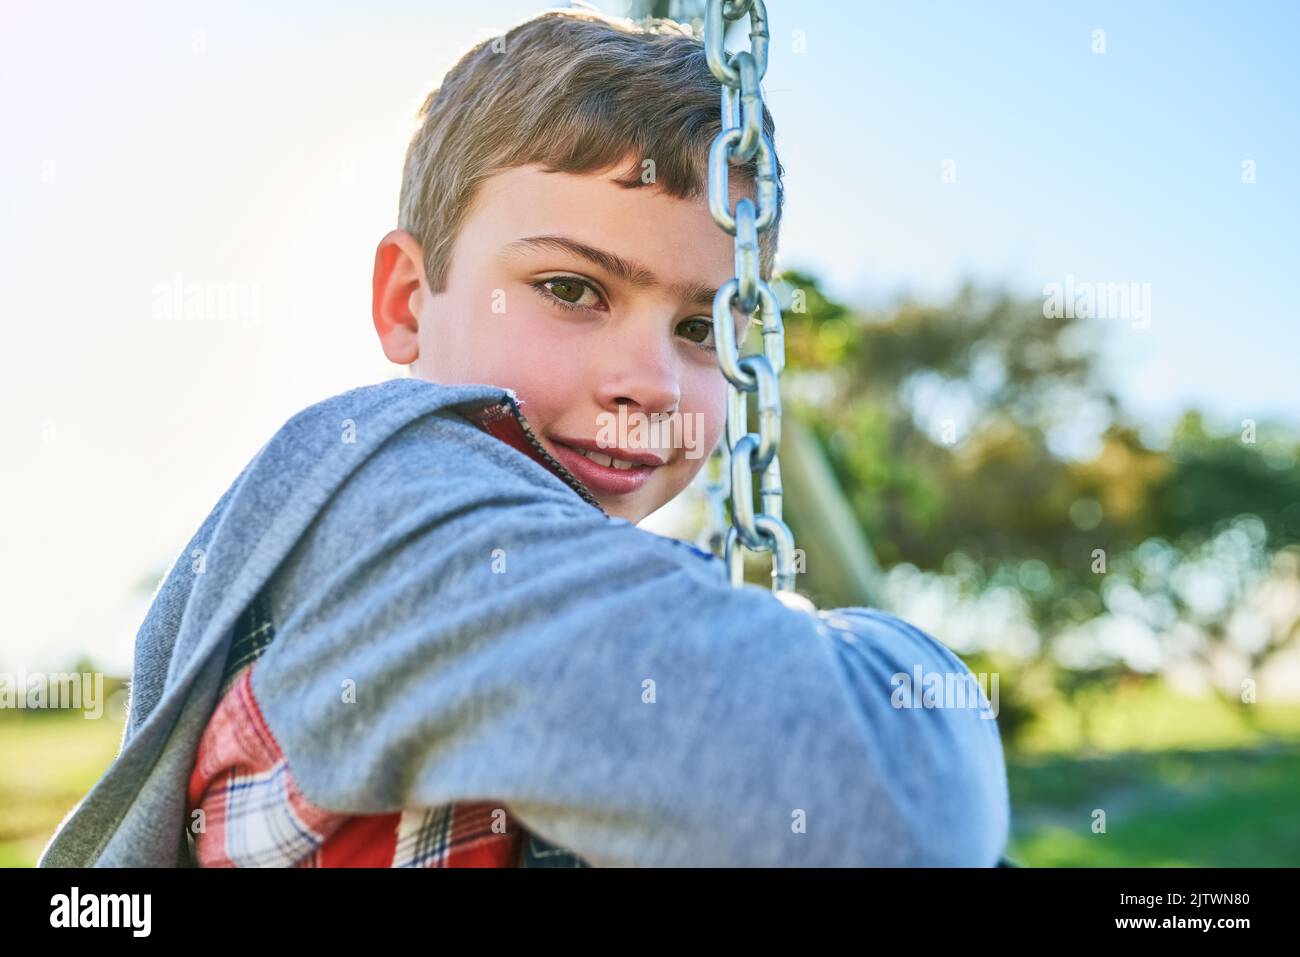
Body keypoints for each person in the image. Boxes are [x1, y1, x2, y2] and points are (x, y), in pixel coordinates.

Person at [39, 8, 1010, 868]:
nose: (649, 383)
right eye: (572, 290)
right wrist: (869, 647)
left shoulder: (550, 574)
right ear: (408, 299)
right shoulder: (398, 508)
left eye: (702, 330)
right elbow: (895, 806)